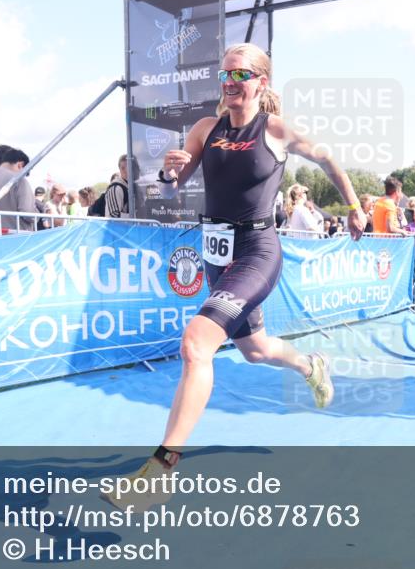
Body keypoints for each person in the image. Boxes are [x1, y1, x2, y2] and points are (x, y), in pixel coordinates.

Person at [103, 43, 367, 507]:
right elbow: (174, 186)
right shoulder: (207, 129)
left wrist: (354, 207)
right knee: (255, 350)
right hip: (216, 253)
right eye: (225, 74)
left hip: (256, 251)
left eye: (240, 74)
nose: (229, 82)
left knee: (196, 344)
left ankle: (161, 471)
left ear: (261, 82)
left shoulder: (277, 129)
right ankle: (311, 365)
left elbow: (328, 160)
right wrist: (169, 174)